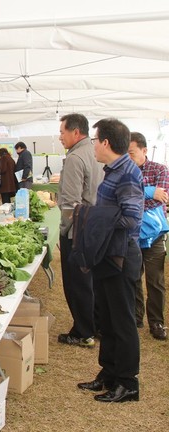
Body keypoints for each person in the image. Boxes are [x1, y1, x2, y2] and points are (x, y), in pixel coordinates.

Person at [77, 118, 143, 403]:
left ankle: (127, 382)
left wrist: (92, 217)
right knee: (107, 318)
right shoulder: (112, 170)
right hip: (108, 254)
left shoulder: (128, 173)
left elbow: (131, 217)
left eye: (95, 139)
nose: (93, 144)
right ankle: (109, 373)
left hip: (121, 255)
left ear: (105, 142)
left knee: (122, 321)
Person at [57, 113, 104, 347]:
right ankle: (95, 325)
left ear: (76, 132)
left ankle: (83, 331)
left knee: (77, 283)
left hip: (78, 231)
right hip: (94, 227)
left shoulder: (76, 157)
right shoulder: (96, 152)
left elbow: (70, 204)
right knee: (90, 281)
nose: (60, 137)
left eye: (62, 132)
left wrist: (64, 232)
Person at [128, 132, 169, 340]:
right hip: (133, 234)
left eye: (132, 152)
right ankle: (136, 317)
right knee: (134, 277)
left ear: (144, 150)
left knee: (155, 280)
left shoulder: (159, 169)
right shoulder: (125, 171)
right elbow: (123, 198)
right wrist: (149, 190)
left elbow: (159, 200)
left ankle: (157, 322)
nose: (128, 156)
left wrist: (141, 194)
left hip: (154, 235)